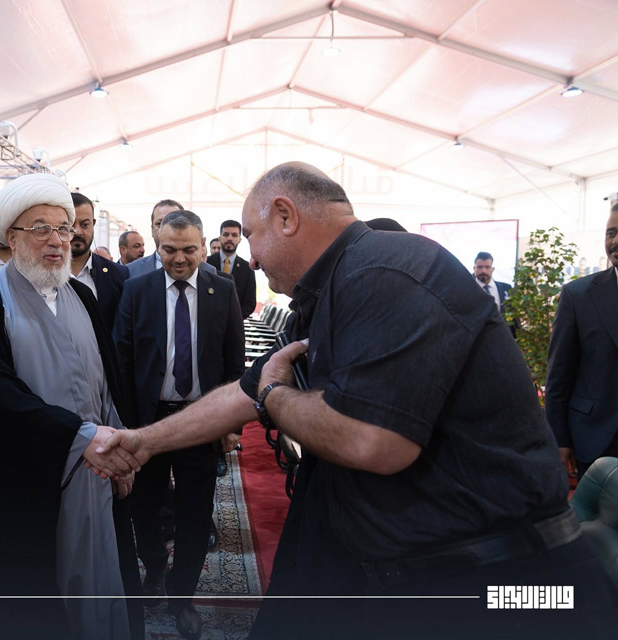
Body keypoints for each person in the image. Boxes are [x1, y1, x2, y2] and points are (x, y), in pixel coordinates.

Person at [99, 162, 616, 638]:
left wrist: (276, 396)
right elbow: (243, 392)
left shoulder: (387, 271)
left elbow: (373, 441)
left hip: (498, 585)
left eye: (252, 236)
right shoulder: (332, 288)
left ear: (285, 216)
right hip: (403, 563)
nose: (250, 258)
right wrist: (144, 442)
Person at [0, 173, 142, 640]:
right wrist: (79, 437)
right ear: (11, 237)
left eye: (63, 228)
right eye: (40, 229)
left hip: (96, 471)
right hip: (27, 484)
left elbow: (108, 384)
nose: (57, 240)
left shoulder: (82, 295)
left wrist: (120, 450)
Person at [114, 209, 245, 640]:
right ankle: (154, 566)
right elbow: (122, 360)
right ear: (158, 245)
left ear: (203, 247)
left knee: (194, 513)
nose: (179, 258)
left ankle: (182, 596)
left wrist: (231, 424)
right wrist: (127, 426)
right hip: (148, 423)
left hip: (201, 422)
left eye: (189, 249)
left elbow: (234, 363)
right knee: (144, 507)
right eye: (169, 249)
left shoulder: (222, 290)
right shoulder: (137, 290)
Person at [545, 203, 618, 480]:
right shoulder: (577, 295)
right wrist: (560, 439)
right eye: (611, 233)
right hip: (595, 439)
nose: (615, 241)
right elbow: (559, 375)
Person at [70, 192, 130, 330]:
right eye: (70, 224)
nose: (78, 231)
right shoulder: (43, 273)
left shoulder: (118, 275)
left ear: (93, 224)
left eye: (85, 224)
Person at [127, 200, 216, 277]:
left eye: (174, 223)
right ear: (152, 229)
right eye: (159, 223)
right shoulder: (131, 270)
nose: (166, 229)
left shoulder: (208, 271)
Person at [206, 219, 257, 319]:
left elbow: (250, 303)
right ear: (220, 238)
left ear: (239, 239)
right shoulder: (206, 263)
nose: (230, 238)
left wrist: (234, 319)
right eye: (226, 234)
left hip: (235, 323)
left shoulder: (247, 268)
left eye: (234, 235)